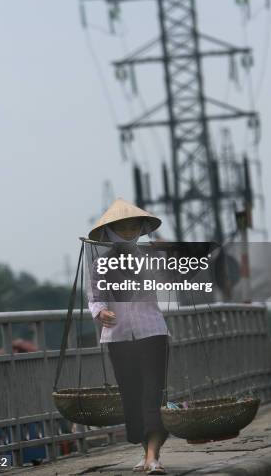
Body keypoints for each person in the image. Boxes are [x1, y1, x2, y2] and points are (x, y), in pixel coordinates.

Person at [87, 197, 169, 475]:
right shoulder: (100, 264)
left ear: (141, 228)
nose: (128, 232)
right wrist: (100, 313)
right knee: (131, 396)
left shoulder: (151, 257)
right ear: (110, 231)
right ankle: (144, 452)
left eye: (133, 226)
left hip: (152, 333)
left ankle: (153, 455)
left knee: (152, 393)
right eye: (122, 227)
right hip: (118, 337)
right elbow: (95, 297)